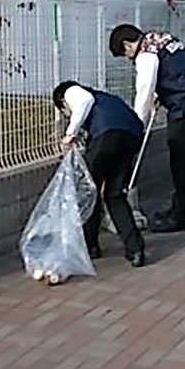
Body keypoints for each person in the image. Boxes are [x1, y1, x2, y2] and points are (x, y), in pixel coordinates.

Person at [109, 25, 185, 233]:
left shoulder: (145, 55)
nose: (129, 59)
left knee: (183, 163)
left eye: (125, 54)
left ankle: (180, 218)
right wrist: (162, 93)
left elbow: (144, 93)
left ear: (126, 45)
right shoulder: (162, 39)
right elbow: (174, 71)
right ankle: (178, 209)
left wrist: (135, 127)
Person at [53, 81, 146, 267]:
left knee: (89, 190)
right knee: (115, 195)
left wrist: (70, 134)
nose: (67, 113)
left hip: (107, 135)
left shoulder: (73, 91)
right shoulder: (107, 99)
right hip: (131, 137)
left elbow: (84, 102)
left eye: (64, 110)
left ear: (62, 101)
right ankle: (135, 249)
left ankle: (90, 246)